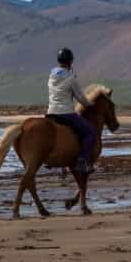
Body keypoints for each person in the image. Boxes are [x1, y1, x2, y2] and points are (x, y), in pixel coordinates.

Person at [45, 47, 99, 176]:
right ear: (71, 62)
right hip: (65, 113)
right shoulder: (71, 78)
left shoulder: (51, 76)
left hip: (50, 112)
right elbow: (81, 99)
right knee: (90, 133)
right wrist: (91, 103)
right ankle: (82, 162)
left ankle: (52, 161)